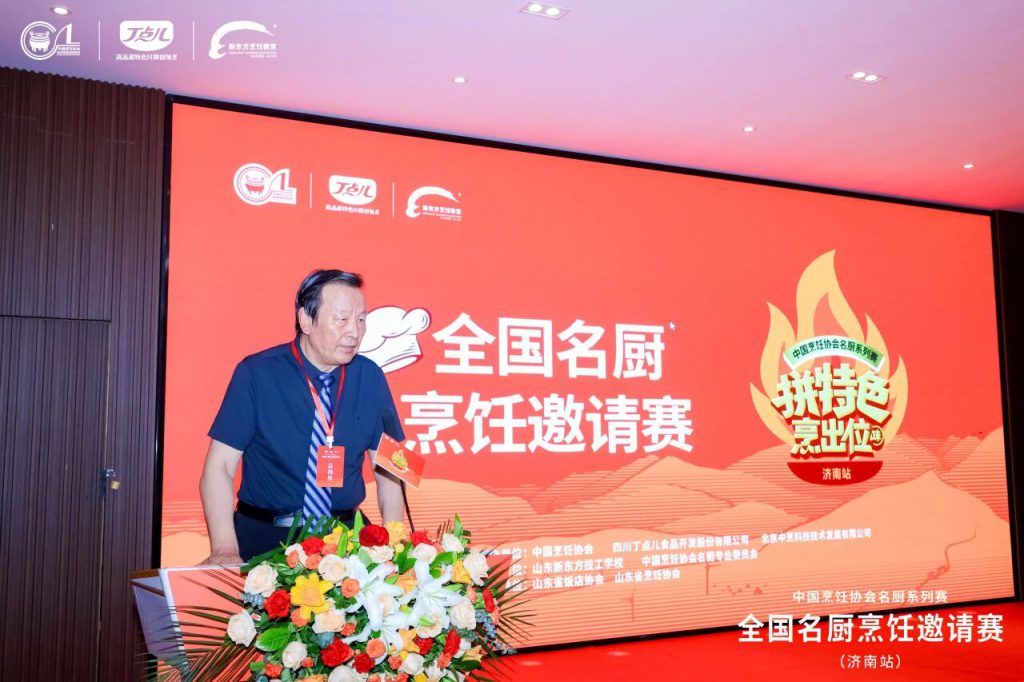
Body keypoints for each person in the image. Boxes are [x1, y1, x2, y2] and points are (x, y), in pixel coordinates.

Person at [199, 269, 405, 563]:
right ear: (306, 320)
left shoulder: (370, 377)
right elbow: (219, 467)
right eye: (342, 319)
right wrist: (224, 548)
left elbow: (390, 469)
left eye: (361, 320)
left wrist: (394, 544)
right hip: (266, 540)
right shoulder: (257, 373)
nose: (355, 332)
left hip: (344, 542)